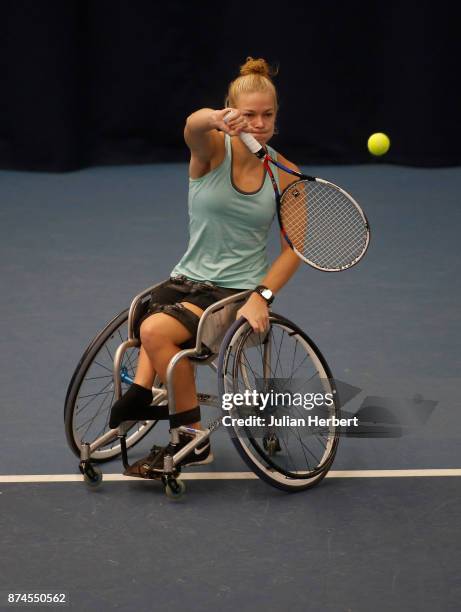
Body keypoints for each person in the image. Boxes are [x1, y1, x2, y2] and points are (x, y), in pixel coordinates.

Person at [109, 57, 301, 477]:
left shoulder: (286, 175)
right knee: (143, 310)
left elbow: (294, 249)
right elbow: (192, 126)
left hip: (234, 295)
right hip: (185, 280)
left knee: (156, 330)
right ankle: (143, 389)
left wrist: (261, 297)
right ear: (232, 112)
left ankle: (190, 440)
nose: (259, 123)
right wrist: (214, 118)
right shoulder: (212, 149)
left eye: (267, 115)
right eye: (249, 114)